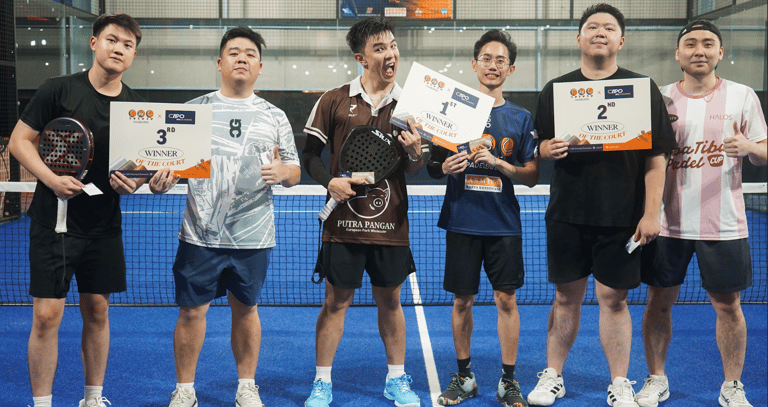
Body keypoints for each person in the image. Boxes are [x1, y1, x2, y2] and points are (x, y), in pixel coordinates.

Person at [8, 13, 176, 407]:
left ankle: (93, 398)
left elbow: (137, 170)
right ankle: (42, 403)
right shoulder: (58, 89)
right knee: (46, 316)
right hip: (55, 221)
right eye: (112, 40)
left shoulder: (137, 108)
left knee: (98, 312)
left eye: (128, 45)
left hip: (104, 224)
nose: (119, 49)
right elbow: (19, 141)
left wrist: (145, 182)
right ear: (94, 43)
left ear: (134, 55)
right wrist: (51, 179)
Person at [524, 4, 676, 407]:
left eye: (609, 27)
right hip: (568, 214)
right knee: (565, 299)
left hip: (622, 217)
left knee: (615, 300)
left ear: (621, 41)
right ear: (579, 38)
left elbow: (657, 157)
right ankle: (553, 376)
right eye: (592, 26)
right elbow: (541, 145)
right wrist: (547, 148)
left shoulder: (642, 89)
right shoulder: (555, 90)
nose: (600, 32)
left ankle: (620, 381)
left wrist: (651, 212)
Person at [161, 27, 301, 407]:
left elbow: (294, 170)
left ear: (260, 67)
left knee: (247, 309)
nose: (242, 58)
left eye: (250, 53)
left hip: (253, 236)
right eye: (234, 52)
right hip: (200, 234)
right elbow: (169, 167)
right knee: (191, 312)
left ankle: (246, 386)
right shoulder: (192, 111)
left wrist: (283, 173)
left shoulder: (274, 116)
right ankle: (185, 390)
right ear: (220, 62)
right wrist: (161, 181)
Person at [634, 20, 767, 407]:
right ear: (677, 53)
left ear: (720, 53)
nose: (699, 50)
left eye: (708, 44)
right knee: (658, 302)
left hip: (724, 226)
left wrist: (749, 148)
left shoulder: (742, 96)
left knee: (729, 306)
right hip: (667, 225)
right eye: (690, 44)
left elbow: (764, 150)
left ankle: (732, 385)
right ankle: (657, 378)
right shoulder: (660, 98)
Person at [301, 16, 426, 407]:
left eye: (393, 46)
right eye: (380, 48)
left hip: (391, 225)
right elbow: (310, 155)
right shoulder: (334, 99)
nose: (391, 54)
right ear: (361, 57)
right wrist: (329, 182)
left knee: (391, 302)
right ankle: (322, 382)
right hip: (343, 225)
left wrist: (415, 152)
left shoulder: (411, 106)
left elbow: (416, 168)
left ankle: (396, 378)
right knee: (335, 302)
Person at [427, 29, 538, 407]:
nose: (493, 65)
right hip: (462, 221)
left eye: (500, 60)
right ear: (474, 65)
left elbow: (532, 175)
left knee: (507, 300)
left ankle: (509, 380)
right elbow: (432, 166)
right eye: (486, 59)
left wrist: (501, 164)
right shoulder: (452, 112)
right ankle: (465, 377)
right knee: (462, 301)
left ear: (511, 69)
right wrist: (445, 166)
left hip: (503, 225)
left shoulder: (521, 117)